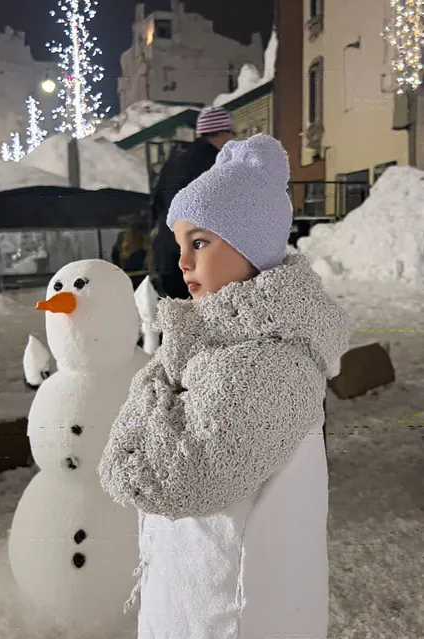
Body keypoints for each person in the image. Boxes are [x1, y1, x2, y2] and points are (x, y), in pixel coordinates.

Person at [99, 134, 351, 639]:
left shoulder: (270, 363)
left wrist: (157, 382)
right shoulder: (217, 342)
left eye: (201, 242)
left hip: (232, 615)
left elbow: (168, 476)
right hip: (197, 597)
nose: (185, 262)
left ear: (251, 245)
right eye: (180, 245)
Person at [149, 105, 235, 300]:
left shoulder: (175, 160)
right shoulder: (214, 164)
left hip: (166, 253)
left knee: (180, 319)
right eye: (231, 133)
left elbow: (155, 204)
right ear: (221, 134)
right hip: (195, 258)